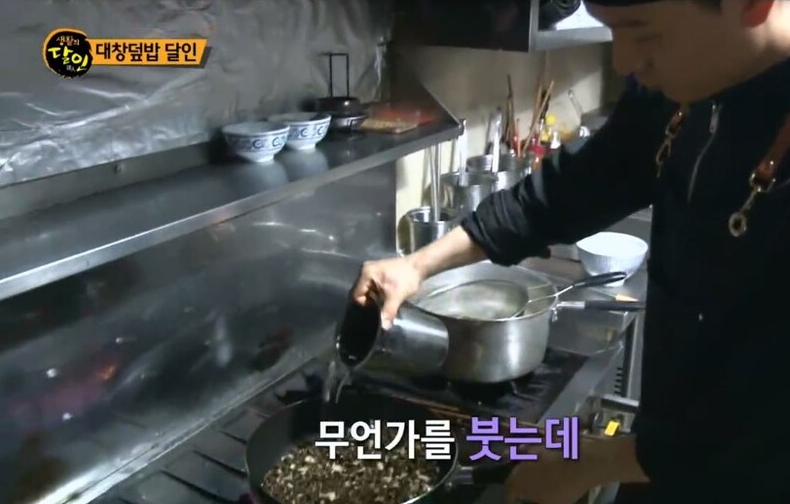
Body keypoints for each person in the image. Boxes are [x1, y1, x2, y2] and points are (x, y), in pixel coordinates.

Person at [349, 0, 790, 503]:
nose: (623, 61)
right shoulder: (684, 92)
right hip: (660, 458)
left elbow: (770, 418)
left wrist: (596, 461)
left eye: (642, 32)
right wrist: (416, 266)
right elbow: (562, 195)